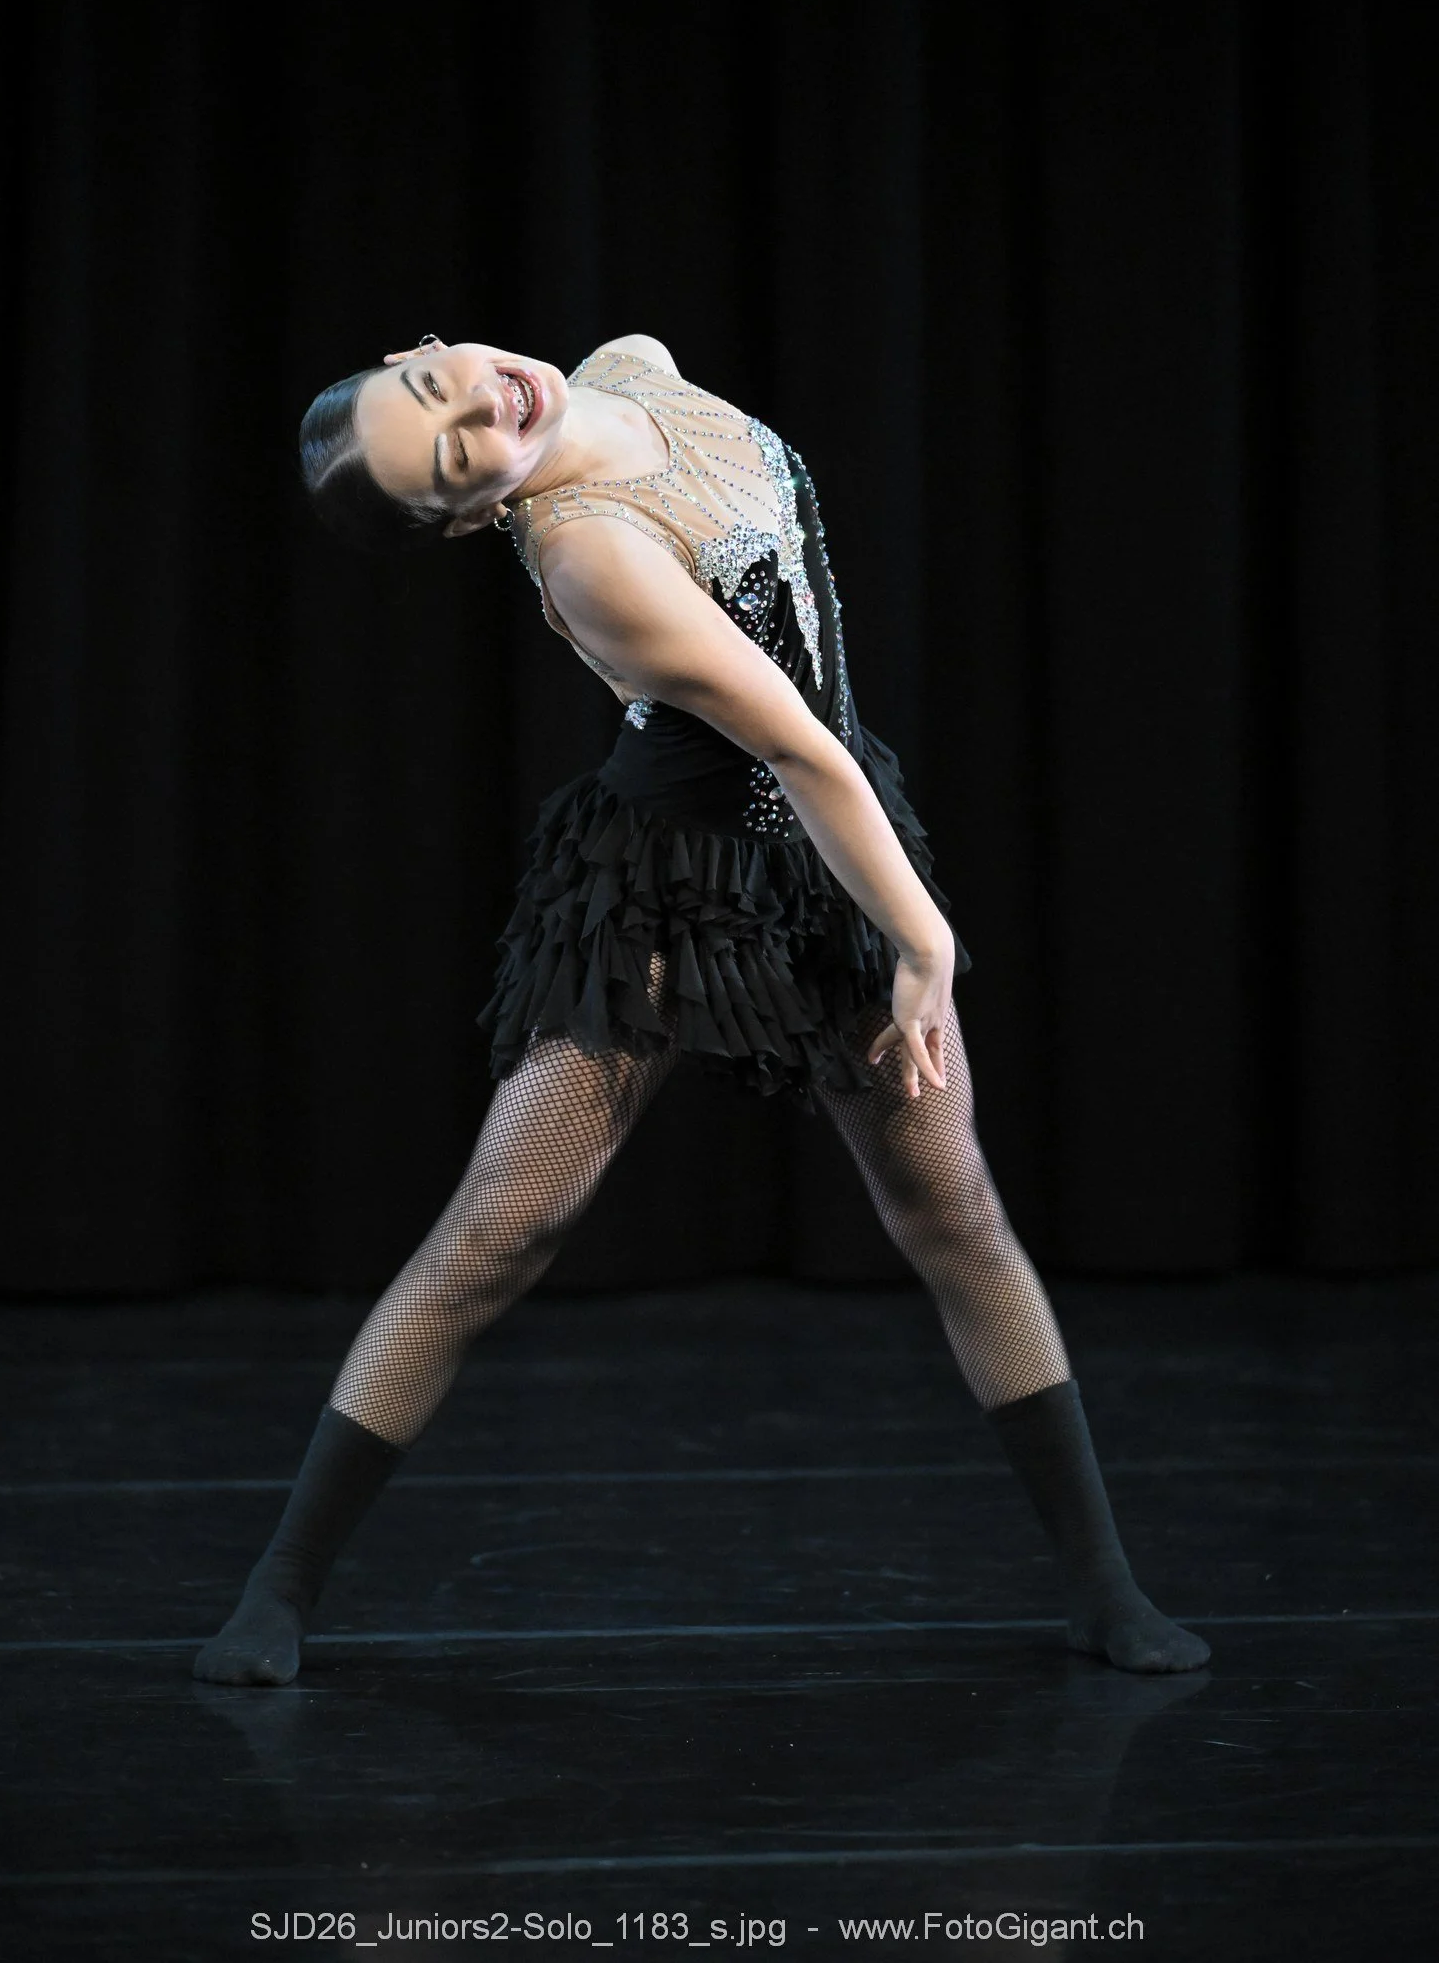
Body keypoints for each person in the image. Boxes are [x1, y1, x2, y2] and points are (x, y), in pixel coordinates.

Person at [192, 333, 1211, 1686]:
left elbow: (819, 751)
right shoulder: (589, 554)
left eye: (440, 385)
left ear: (427, 348)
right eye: (453, 453)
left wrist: (893, 916)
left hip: (833, 852)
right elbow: (791, 741)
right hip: (669, 893)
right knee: (503, 1225)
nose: (485, 404)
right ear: (471, 516)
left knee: (952, 1207)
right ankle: (278, 1588)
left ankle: (1102, 1585)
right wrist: (922, 937)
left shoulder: (630, 364)